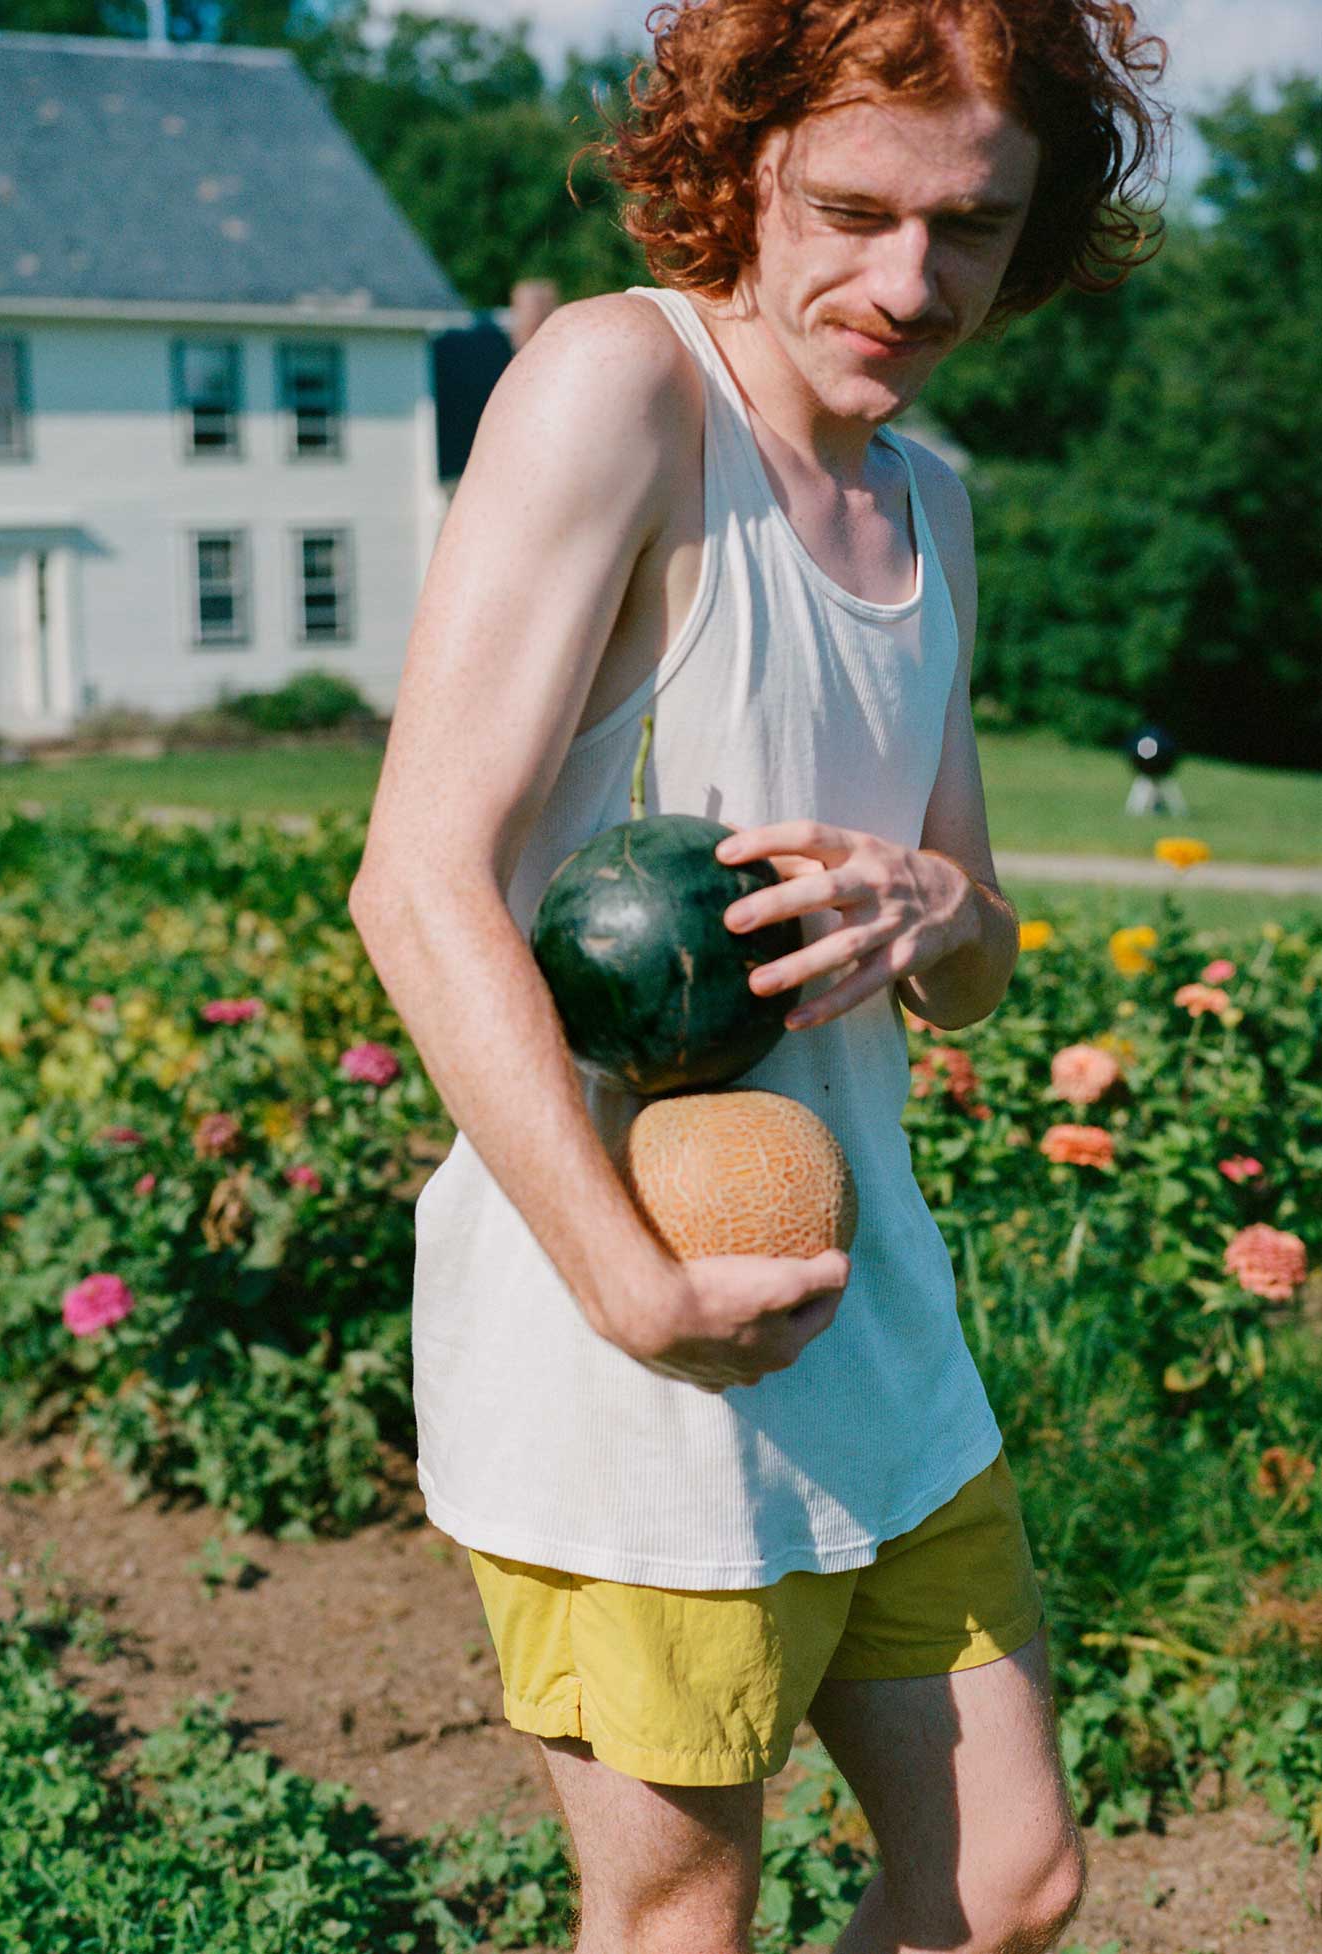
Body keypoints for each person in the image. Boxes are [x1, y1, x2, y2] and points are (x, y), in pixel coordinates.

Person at [349, 1, 1170, 1947]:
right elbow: (414, 878)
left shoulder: (931, 496)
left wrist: (937, 916)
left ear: (1035, 229)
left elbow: (968, 966)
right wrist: (632, 1286)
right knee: (678, 1920)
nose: (907, 280)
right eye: (853, 205)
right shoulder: (619, 386)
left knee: (1013, 1877)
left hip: (874, 1314)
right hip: (621, 1317)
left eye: (968, 226)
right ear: (742, 165)